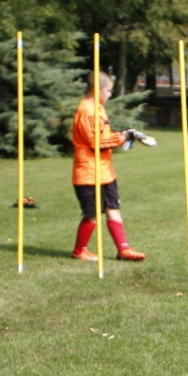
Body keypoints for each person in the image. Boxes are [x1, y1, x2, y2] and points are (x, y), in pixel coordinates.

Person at [71, 73, 145, 262]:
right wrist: (125, 137)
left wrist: (125, 135)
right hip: (88, 172)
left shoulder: (99, 108)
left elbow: (104, 134)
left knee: (113, 207)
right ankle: (79, 251)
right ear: (97, 89)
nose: (110, 94)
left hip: (105, 171)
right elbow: (97, 142)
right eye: (108, 90)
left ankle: (123, 249)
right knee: (92, 214)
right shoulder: (87, 110)